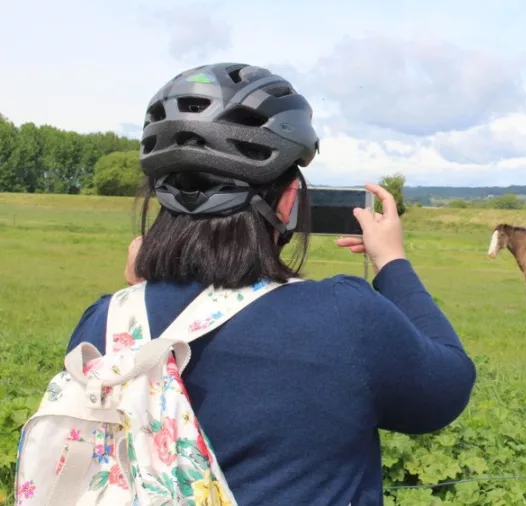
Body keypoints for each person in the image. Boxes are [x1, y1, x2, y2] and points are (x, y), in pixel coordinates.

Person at [66, 62, 477, 505]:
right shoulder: (344, 316)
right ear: (287, 202)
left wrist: (133, 296)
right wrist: (392, 263)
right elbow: (447, 386)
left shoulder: (105, 322)